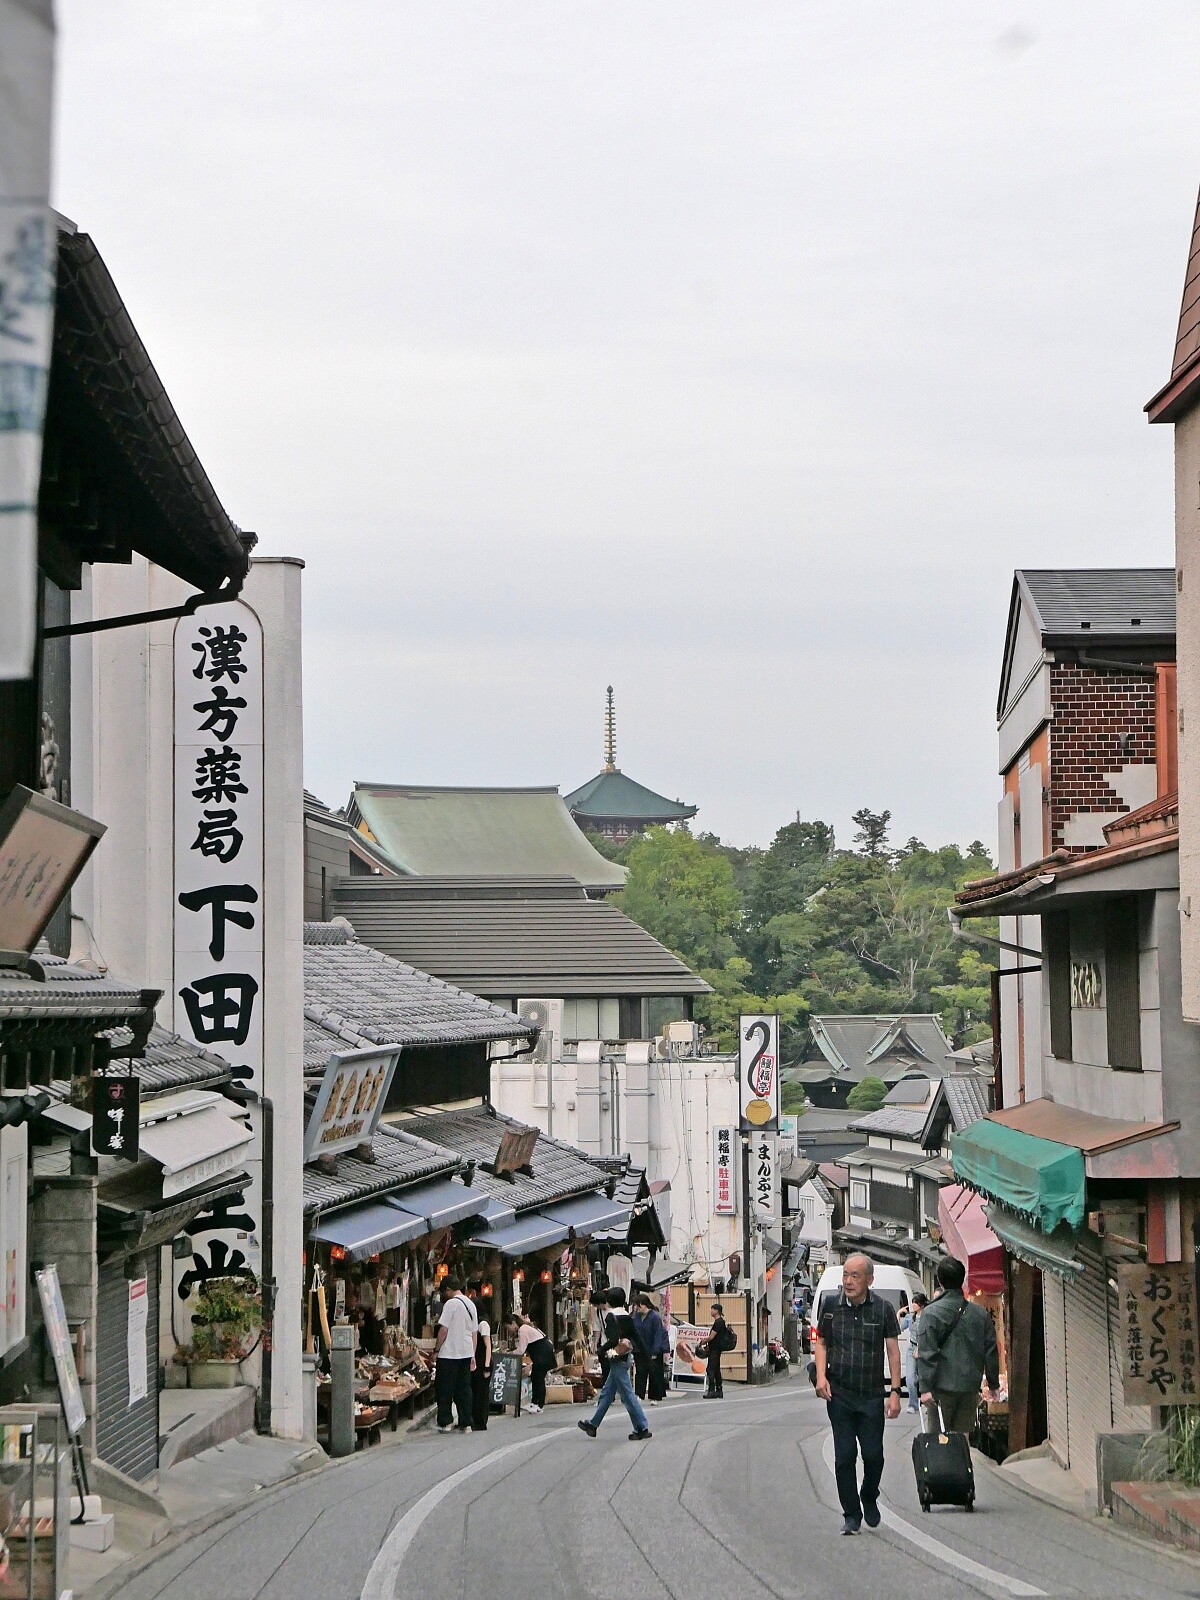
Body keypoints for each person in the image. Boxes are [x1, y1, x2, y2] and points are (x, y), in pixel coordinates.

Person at [813, 1253, 902, 1535]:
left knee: (874, 1455)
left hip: (872, 1394)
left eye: (855, 1276)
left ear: (869, 1280)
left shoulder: (883, 1309)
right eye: (845, 1275)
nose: (848, 1281)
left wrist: (896, 1391)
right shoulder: (830, 1307)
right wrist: (820, 1376)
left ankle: (869, 1495)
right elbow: (822, 1343)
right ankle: (851, 1514)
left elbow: (893, 1350)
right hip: (839, 1394)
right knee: (845, 1457)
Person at [917, 1255, 1001, 1435]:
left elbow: (927, 1353)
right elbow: (991, 1350)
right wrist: (993, 1384)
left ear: (939, 1280)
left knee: (939, 1441)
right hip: (969, 1387)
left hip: (940, 1389)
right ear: (962, 1279)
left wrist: (925, 1388)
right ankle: (962, 1463)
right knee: (962, 1440)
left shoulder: (931, 1313)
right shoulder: (979, 1314)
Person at [577, 1288, 652, 1441]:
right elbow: (636, 1337)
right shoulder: (626, 1315)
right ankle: (593, 1424)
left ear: (609, 1301)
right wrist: (647, 1357)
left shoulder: (611, 1316)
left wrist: (601, 1351)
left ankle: (642, 1427)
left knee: (628, 1396)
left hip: (616, 1357)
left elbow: (612, 1340)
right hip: (626, 1356)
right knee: (606, 1393)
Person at [434, 1276, 477, 1434]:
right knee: (464, 1389)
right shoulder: (470, 1304)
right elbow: (474, 1333)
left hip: (449, 1354)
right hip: (466, 1352)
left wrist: (436, 1349)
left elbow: (443, 1330)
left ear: (448, 1290)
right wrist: (472, 1354)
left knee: (445, 1389)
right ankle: (466, 1423)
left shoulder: (451, 1304)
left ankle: (446, 1422)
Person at [512, 1313, 557, 1413]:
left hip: (543, 1354)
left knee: (538, 1378)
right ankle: (535, 1402)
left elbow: (521, 1350)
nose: (509, 1330)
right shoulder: (526, 1327)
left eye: (508, 1327)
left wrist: (509, 1353)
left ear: (513, 1323)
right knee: (536, 1377)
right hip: (544, 1352)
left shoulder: (522, 1329)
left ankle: (538, 1405)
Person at [632, 1293, 669, 1403]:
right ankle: (639, 1394)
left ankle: (655, 1396)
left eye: (638, 1306)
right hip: (640, 1350)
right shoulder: (636, 1317)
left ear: (644, 1305)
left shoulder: (654, 1316)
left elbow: (658, 1334)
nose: (637, 1308)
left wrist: (655, 1351)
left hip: (652, 1349)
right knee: (640, 1372)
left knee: (654, 1373)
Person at [466, 1282, 492, 1432]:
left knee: (481, 1393)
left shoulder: (483, 1324)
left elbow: (488, 1346)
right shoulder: (476, 1323)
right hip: (478, 1361)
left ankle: (481, 1422)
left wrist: (487, 1366)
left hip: (484, 1362)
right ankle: (476, 1420)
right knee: (476, 1391)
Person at [901, 1293, 928, 1415]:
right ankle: (913, 1404)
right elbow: (898, 1328)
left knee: (925, 1378)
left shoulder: (928, 1317)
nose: (913, 1305)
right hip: (912, 1349)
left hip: (925, 1349)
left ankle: (926, 1403)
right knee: (910, 1379)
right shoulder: (909, 1317)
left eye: (915, 1302)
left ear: (922, 1304)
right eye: (912, 1302)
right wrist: (898, 1314)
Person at [703, 1301, 731, 1399]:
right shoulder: (720, 1322)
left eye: (712, 1309)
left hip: (715, 1349)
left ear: (716, 1311)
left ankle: (712, 1390)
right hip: (716, 1349)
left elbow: (711, 1337)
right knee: (716, 1370)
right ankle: (719, 1390)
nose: (711, 1311)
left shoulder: (718, 1322)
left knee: (710, 1369)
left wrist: (703, 1341)